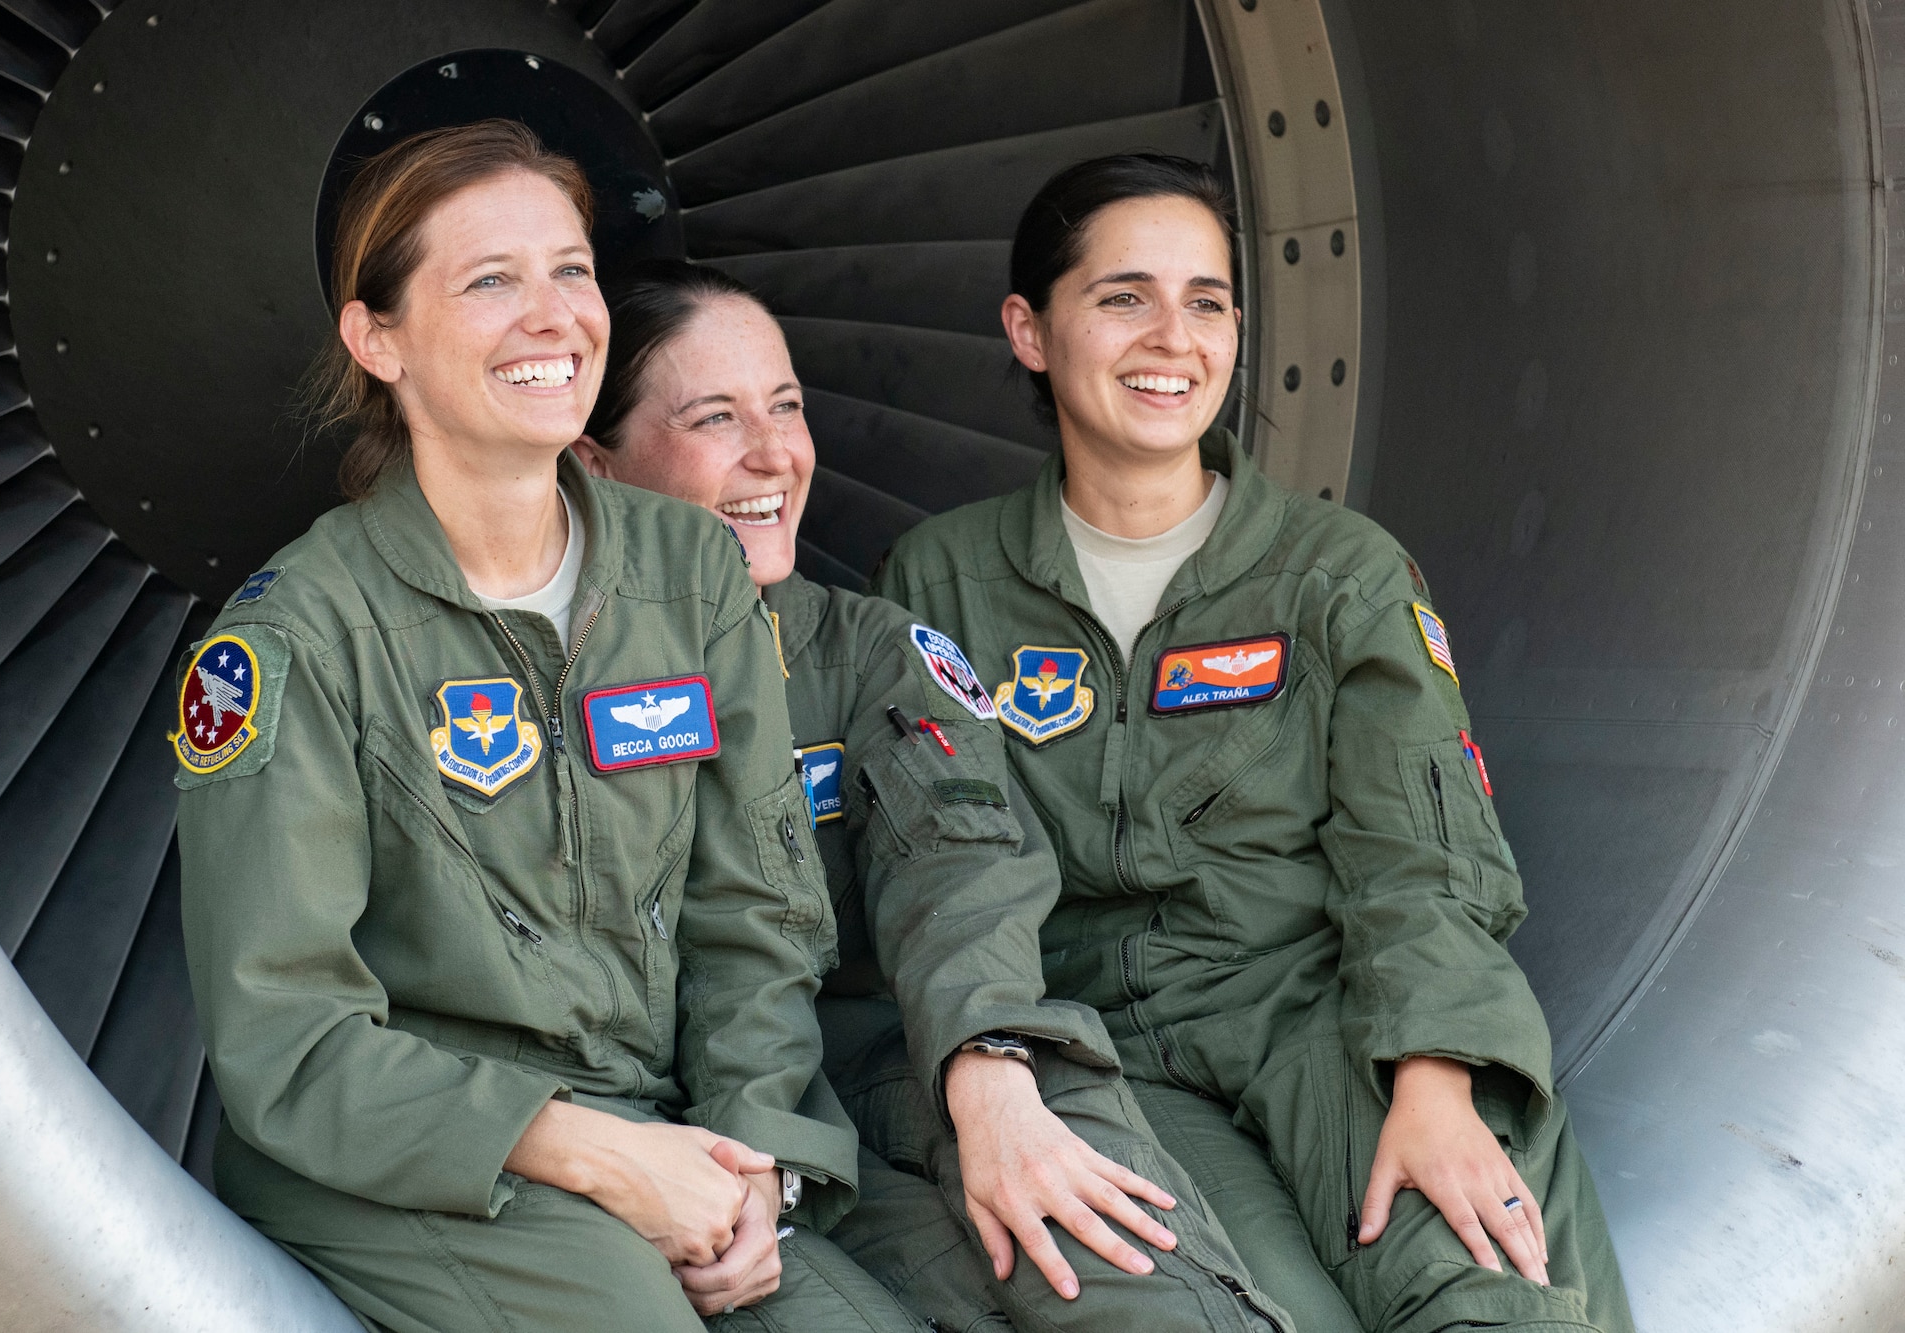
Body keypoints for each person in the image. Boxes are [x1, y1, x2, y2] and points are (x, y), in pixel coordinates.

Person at [173, 120, 924, 1333]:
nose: (552, 314)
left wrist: (753, 1163)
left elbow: (756, 911)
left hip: (667, 1127)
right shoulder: (293, 644)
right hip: (405, 1164)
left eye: (569, 271)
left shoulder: (689, 571)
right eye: (488, 280)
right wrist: (591, 1155)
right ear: (378, 339)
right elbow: (292, 1040)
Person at [874, 153, 1636, 1332]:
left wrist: (1431, 1081)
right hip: (1106, 1049)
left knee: (1483, 1294)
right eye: (1121, 297)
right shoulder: (942, 578)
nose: (1171, 338)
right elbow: (934, 860)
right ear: (1029, 331)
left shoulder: (1338, 573)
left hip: (1326, 1023)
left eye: (1207, 301)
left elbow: (1419, 858)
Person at [571, 259, 1290, 1333]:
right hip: (671, 1124)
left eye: (785, 407)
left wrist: (988, 1065)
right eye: (715, 417)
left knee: (1134, 1284)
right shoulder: (532, 680)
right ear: (596, 460)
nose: (773, 453)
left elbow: (959, 862)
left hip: (893, 1063)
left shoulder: (870, 651)